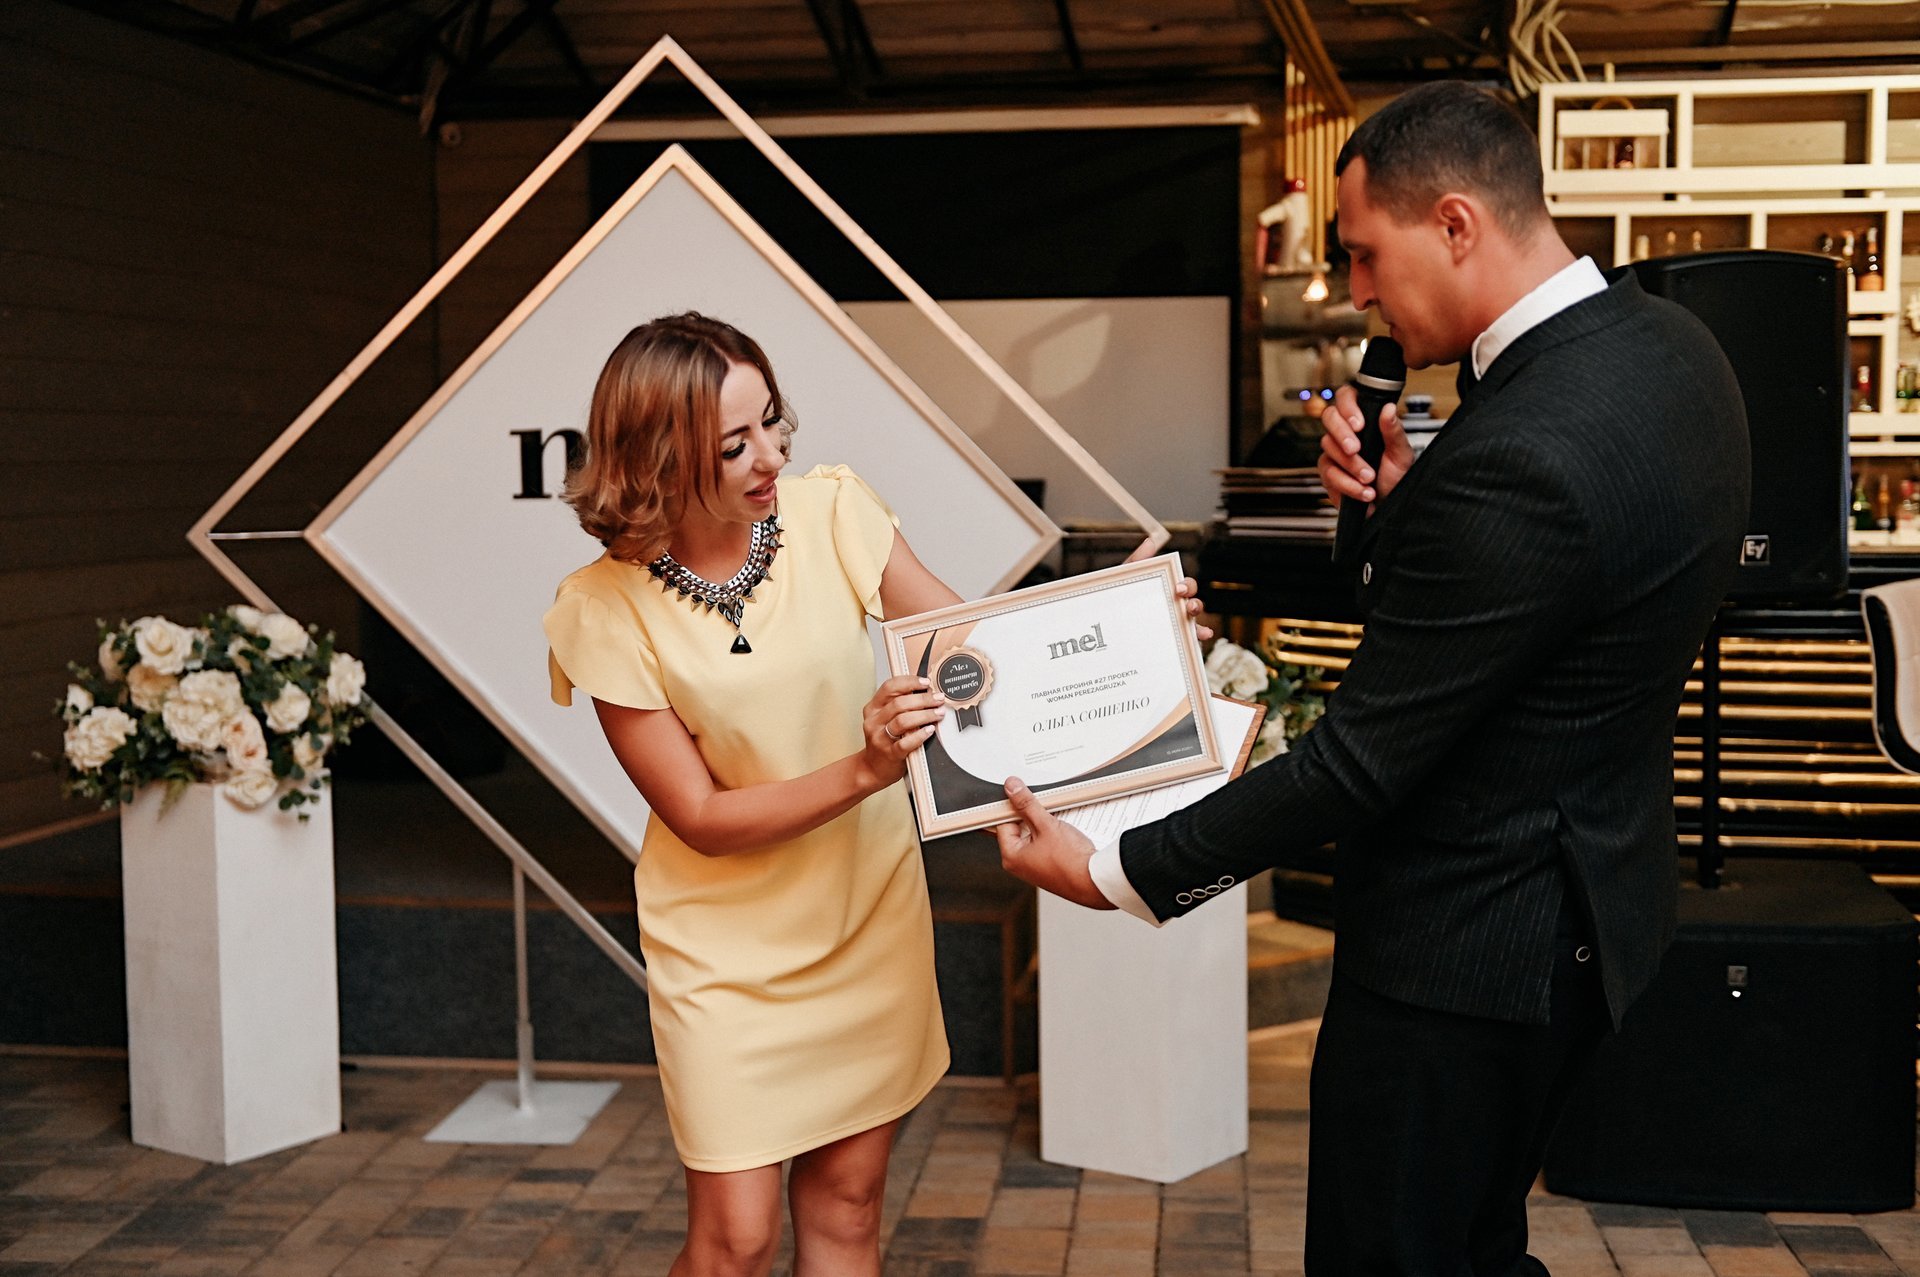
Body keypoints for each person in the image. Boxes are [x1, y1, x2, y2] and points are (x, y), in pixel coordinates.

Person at [993, 81, 1751, 1274]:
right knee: (1474, 1246)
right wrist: (1403, 510)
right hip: (1593, 908)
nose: (1355, 292)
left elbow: (1358, 762)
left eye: (1363, 253)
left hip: (1465, 955)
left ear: (1455, 223)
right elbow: (1517, 622)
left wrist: (1112, 870)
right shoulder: (1674, 349)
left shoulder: (1519, 456)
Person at [542, 313, 959, 1277]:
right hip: (724, 954)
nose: (770, 455)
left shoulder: (833, 512)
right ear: (659, 458)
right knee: (736, 1241)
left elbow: (974, 638)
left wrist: (1132, 626)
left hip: (867, 914)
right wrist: (866, 769)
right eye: (734, 444)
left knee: (847, 1207)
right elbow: (700, 816)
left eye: (771, 422)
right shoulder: (602, 607)